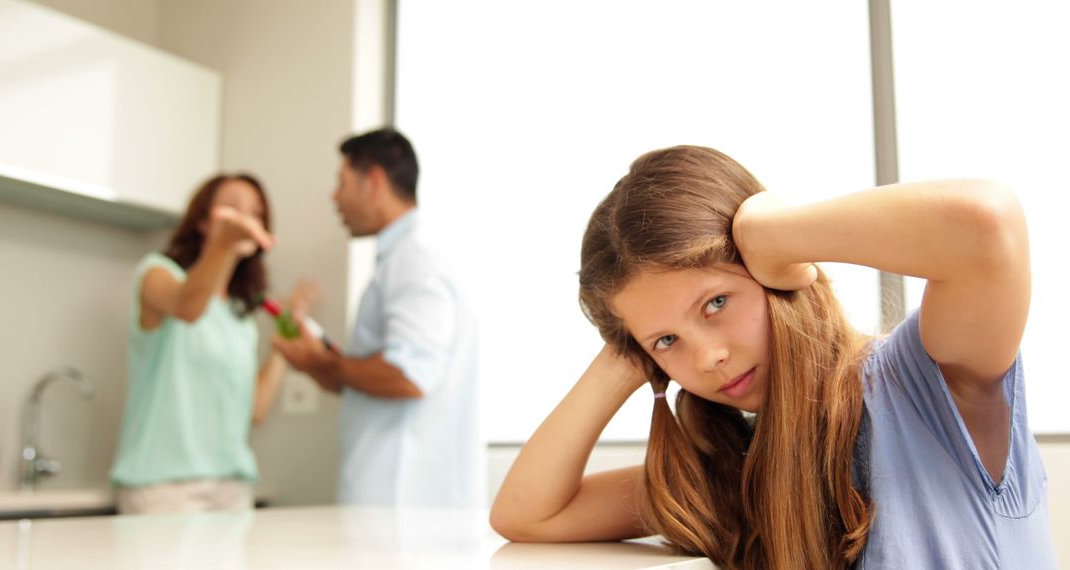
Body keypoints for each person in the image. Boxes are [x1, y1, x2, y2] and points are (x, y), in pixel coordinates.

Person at [490, 146, 1055, 569]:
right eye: (667, 342)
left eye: (715, 303)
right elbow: (526, 513)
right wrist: (625, 354)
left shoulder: (921, 387)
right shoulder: (734, 470)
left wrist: (774, 233)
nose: (708, 357)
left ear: (770, 276)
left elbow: (987, 225)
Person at [273, 128, 483, 507]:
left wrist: (323, 361)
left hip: (403, 503)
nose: (334, 197)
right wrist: (318, 361)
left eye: (342, 183)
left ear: (373, 182)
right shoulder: (406, 260)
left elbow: (407, 375)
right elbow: (380, 374)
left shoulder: (413, 260)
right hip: (395, 502)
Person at [111, 173, 294, 514]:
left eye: (254, 212)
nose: (244, 219)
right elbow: (187, 307)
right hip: (163, 490)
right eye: (232, 208)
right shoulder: (157, 273)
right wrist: (222, 245)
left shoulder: (240, 316)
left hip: (232, 488)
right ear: (201, 220)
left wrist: (284, 344)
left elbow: (255, 409)